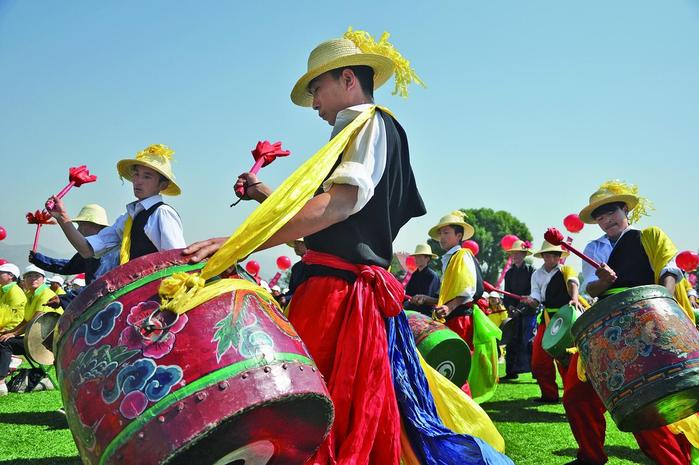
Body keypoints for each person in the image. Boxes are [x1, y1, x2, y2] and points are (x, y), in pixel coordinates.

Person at [184, 29, 428, 464]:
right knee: (317, 407)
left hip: (339, 297)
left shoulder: (371, 122)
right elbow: (324, 231)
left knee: (317, 411)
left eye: (317, 88)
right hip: (331, 288)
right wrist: (265, 200)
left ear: (348, 79)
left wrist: (243, 242)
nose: (314, 101)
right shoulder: (353, 134)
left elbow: (339, 204)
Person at [561, 180, 692, 465]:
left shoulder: (650, 236)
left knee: (647, 404)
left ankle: (673, 462)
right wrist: (603, 282)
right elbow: (590, 290)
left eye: (611, 212)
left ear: (625, 210)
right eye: (599, 216)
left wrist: (661, 315)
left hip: (645, 326)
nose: (606, 219)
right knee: (576, 395)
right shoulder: (592, 248)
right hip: (602, 326)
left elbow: (670, 271)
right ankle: (591, 456)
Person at [46, 144, 185, 274]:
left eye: (147, 176)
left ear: (163, 185)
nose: (138, 181)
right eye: (136, 174)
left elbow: (178, 261)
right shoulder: (128, 219)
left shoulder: (162, 213)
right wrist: (61, 216)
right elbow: (87, 249)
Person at [523, 240, 583, 403]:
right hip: (547, 319)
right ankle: (549, 395)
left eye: (555, 254)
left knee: (567, 360)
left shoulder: (566, 270)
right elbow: (536, 296)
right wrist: (531, 301)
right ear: (543, 256)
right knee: (538, 361)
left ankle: (572, 397)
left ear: (559, 256)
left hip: (568, 318)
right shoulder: (536, 274)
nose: (551, 258)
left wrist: (574, 298)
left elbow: (573, 282)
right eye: (548, 254)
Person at [0, 265, 63, 396]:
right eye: (28, 276)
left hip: (46, 344)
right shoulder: (31, 295)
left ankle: (1, 383)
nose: (32, 279)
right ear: (23, 280)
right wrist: (10, 331)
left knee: (4, 343)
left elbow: (35, 320)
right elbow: (25, 320)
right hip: (34, 339)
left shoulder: (46, 294)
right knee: (4, 339)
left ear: (43, 279)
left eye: (36, 276)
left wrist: (13, 333)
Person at [428, 211, 482, 350]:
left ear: (458, 236)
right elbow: (448, 293)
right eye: (441, 233)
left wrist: (449, 307)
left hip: (460, 319)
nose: (442, 237)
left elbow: (469, 290)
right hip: (451, 317)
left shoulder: (462, 255)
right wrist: (427, 299)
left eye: (446, 233)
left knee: (459, 360)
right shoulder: (449, 258)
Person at [29, 204, 114, 284]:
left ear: (97, 225)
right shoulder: (90, 251)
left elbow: (99, 286)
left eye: (82, 225)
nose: (78, 230)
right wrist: (38, 259)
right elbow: (68, 267)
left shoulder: (111, 253)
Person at [502, 239, 536, 380]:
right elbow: (506, 293)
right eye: (513, 253)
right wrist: (510, 307)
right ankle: (511, 372)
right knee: (511, 341)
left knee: (529, 341)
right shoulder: (509, 273)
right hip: (513, 312)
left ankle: (536, 372)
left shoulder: (531, 271)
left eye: (518, 253)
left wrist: (521, 308)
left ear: (524, 254)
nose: (515, 256)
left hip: (528, 311)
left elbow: (533, 293)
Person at [405, 243, 441, 316]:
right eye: (415, 256)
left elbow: (430, 299)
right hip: (412, 312)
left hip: (426, 315)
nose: (416, 259)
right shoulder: (414, 275)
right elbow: (408, 293)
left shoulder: (432, 276)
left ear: (427, 258)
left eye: (419, 256)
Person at [0, 263, 26, 335]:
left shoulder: (15, 292)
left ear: (10, 276)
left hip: (10, 332)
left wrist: (6, 332)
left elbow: (16, 319)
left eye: (0, 273)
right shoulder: (3, 289)